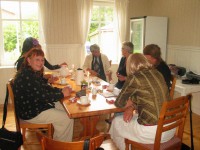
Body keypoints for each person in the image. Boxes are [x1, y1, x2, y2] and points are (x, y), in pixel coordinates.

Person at [109, 53, 175, 150]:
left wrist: (129, 105)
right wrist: (131, 107)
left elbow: (119, 103)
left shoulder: (134, 78)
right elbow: (146, 97)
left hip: (154, 133)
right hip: (170, 128)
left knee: (116, 122)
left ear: (129, 65)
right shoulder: (157, 73)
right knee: (128, 120)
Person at [12, 48, 74, 142]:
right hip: (31, 112)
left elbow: (45, 88)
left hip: (34, 106)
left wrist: (61, 91)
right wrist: (61, 94)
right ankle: (60, 146)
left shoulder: (30, 72)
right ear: (29, 60)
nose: (40, 63)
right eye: (37, 59)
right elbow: (43, 96)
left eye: (42, 60)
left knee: (66, 109)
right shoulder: (27, 76)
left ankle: (59, 139)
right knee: (66, 118)